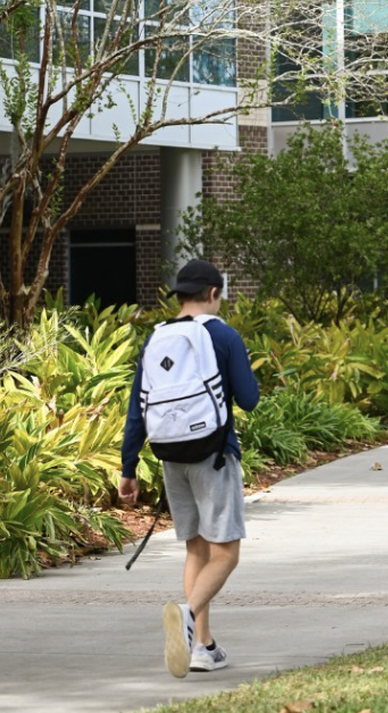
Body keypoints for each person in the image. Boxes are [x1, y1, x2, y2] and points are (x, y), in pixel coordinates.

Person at [119, 259, 260, 678]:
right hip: (213, 455)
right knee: (226, 553)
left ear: (179, 296)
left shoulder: (157, 338)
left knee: (196, 549)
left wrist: (128, 468)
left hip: (170, 457)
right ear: (214, 293)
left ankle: (203, 646)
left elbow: (136, 409)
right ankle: (186, 612)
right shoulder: (223, 334)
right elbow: (249, 399)